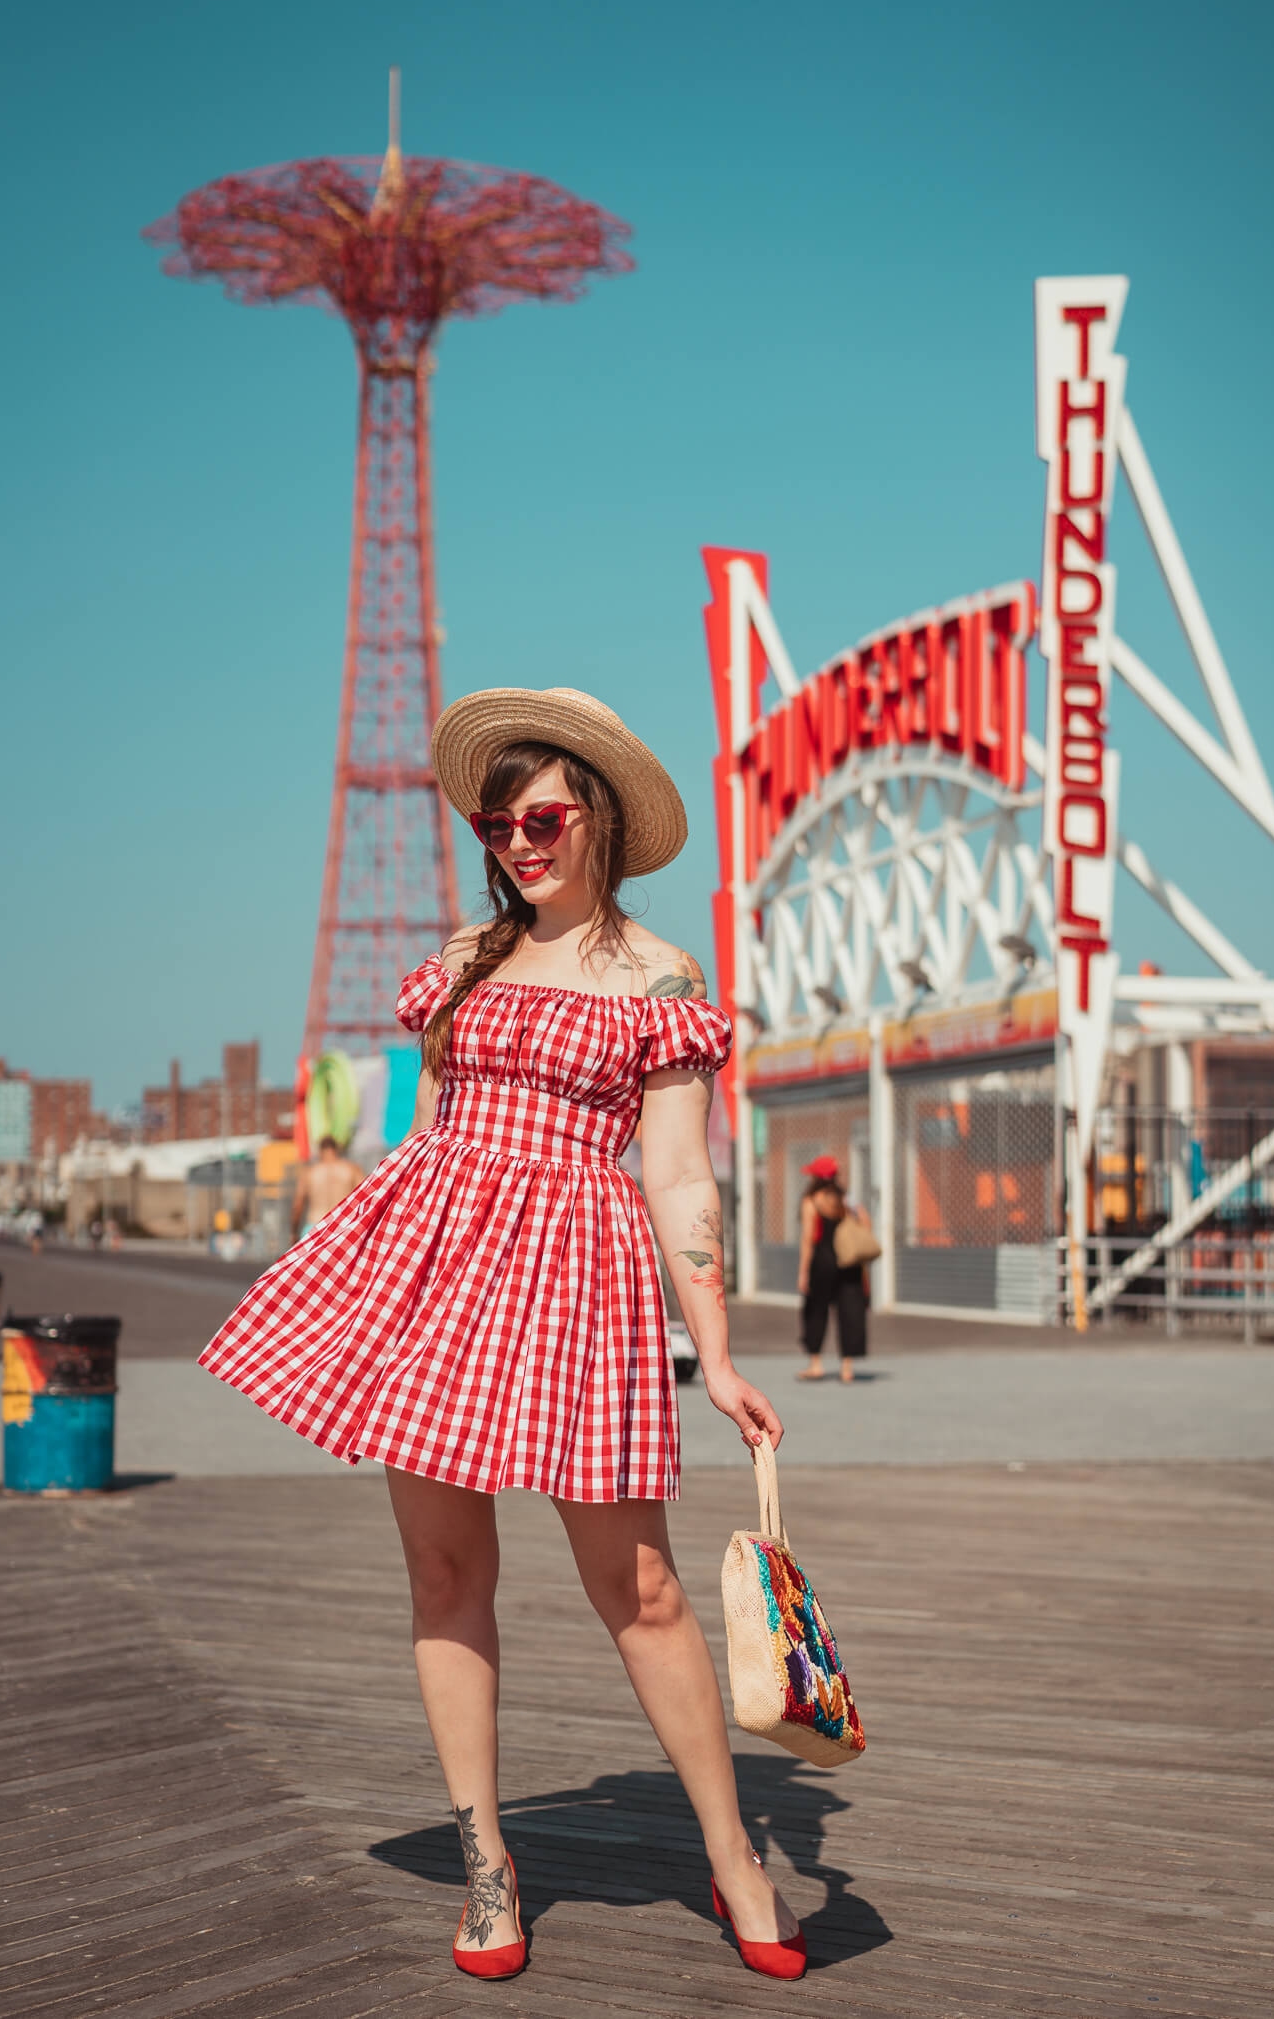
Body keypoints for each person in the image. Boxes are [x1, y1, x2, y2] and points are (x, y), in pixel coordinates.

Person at [200, 688, 806, 1982]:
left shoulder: (659, 975)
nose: (520, 840)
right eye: (499, 819)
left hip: (583, 1282)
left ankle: (734, 1850)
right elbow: (423, 1142)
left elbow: (683, 1177)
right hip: (437, 1274)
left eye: (542, 816)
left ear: (593, 816)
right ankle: (488, 1859)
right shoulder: (466, 958)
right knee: (442, 1572)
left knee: (637, 1586)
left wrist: (719, 1350)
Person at [797, 1170, 871, 1383]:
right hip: (848, 1263)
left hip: (822, 1262)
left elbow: (808, 1238)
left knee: (816, 1312)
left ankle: (816, 1364)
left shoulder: (812, 1201)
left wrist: (803, 1272)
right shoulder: (845, 1198)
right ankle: (847, 1367)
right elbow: (866, 1224)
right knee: (850, 1313)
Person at [291, 1134, 364, 1242]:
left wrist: (294, 1232)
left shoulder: (310, 1173)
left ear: (320, 1151)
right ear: (336, 1149)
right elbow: (367, 1196)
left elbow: (298, 1205)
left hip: (315, 1226)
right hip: (343, 1226)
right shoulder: (352, 1170)